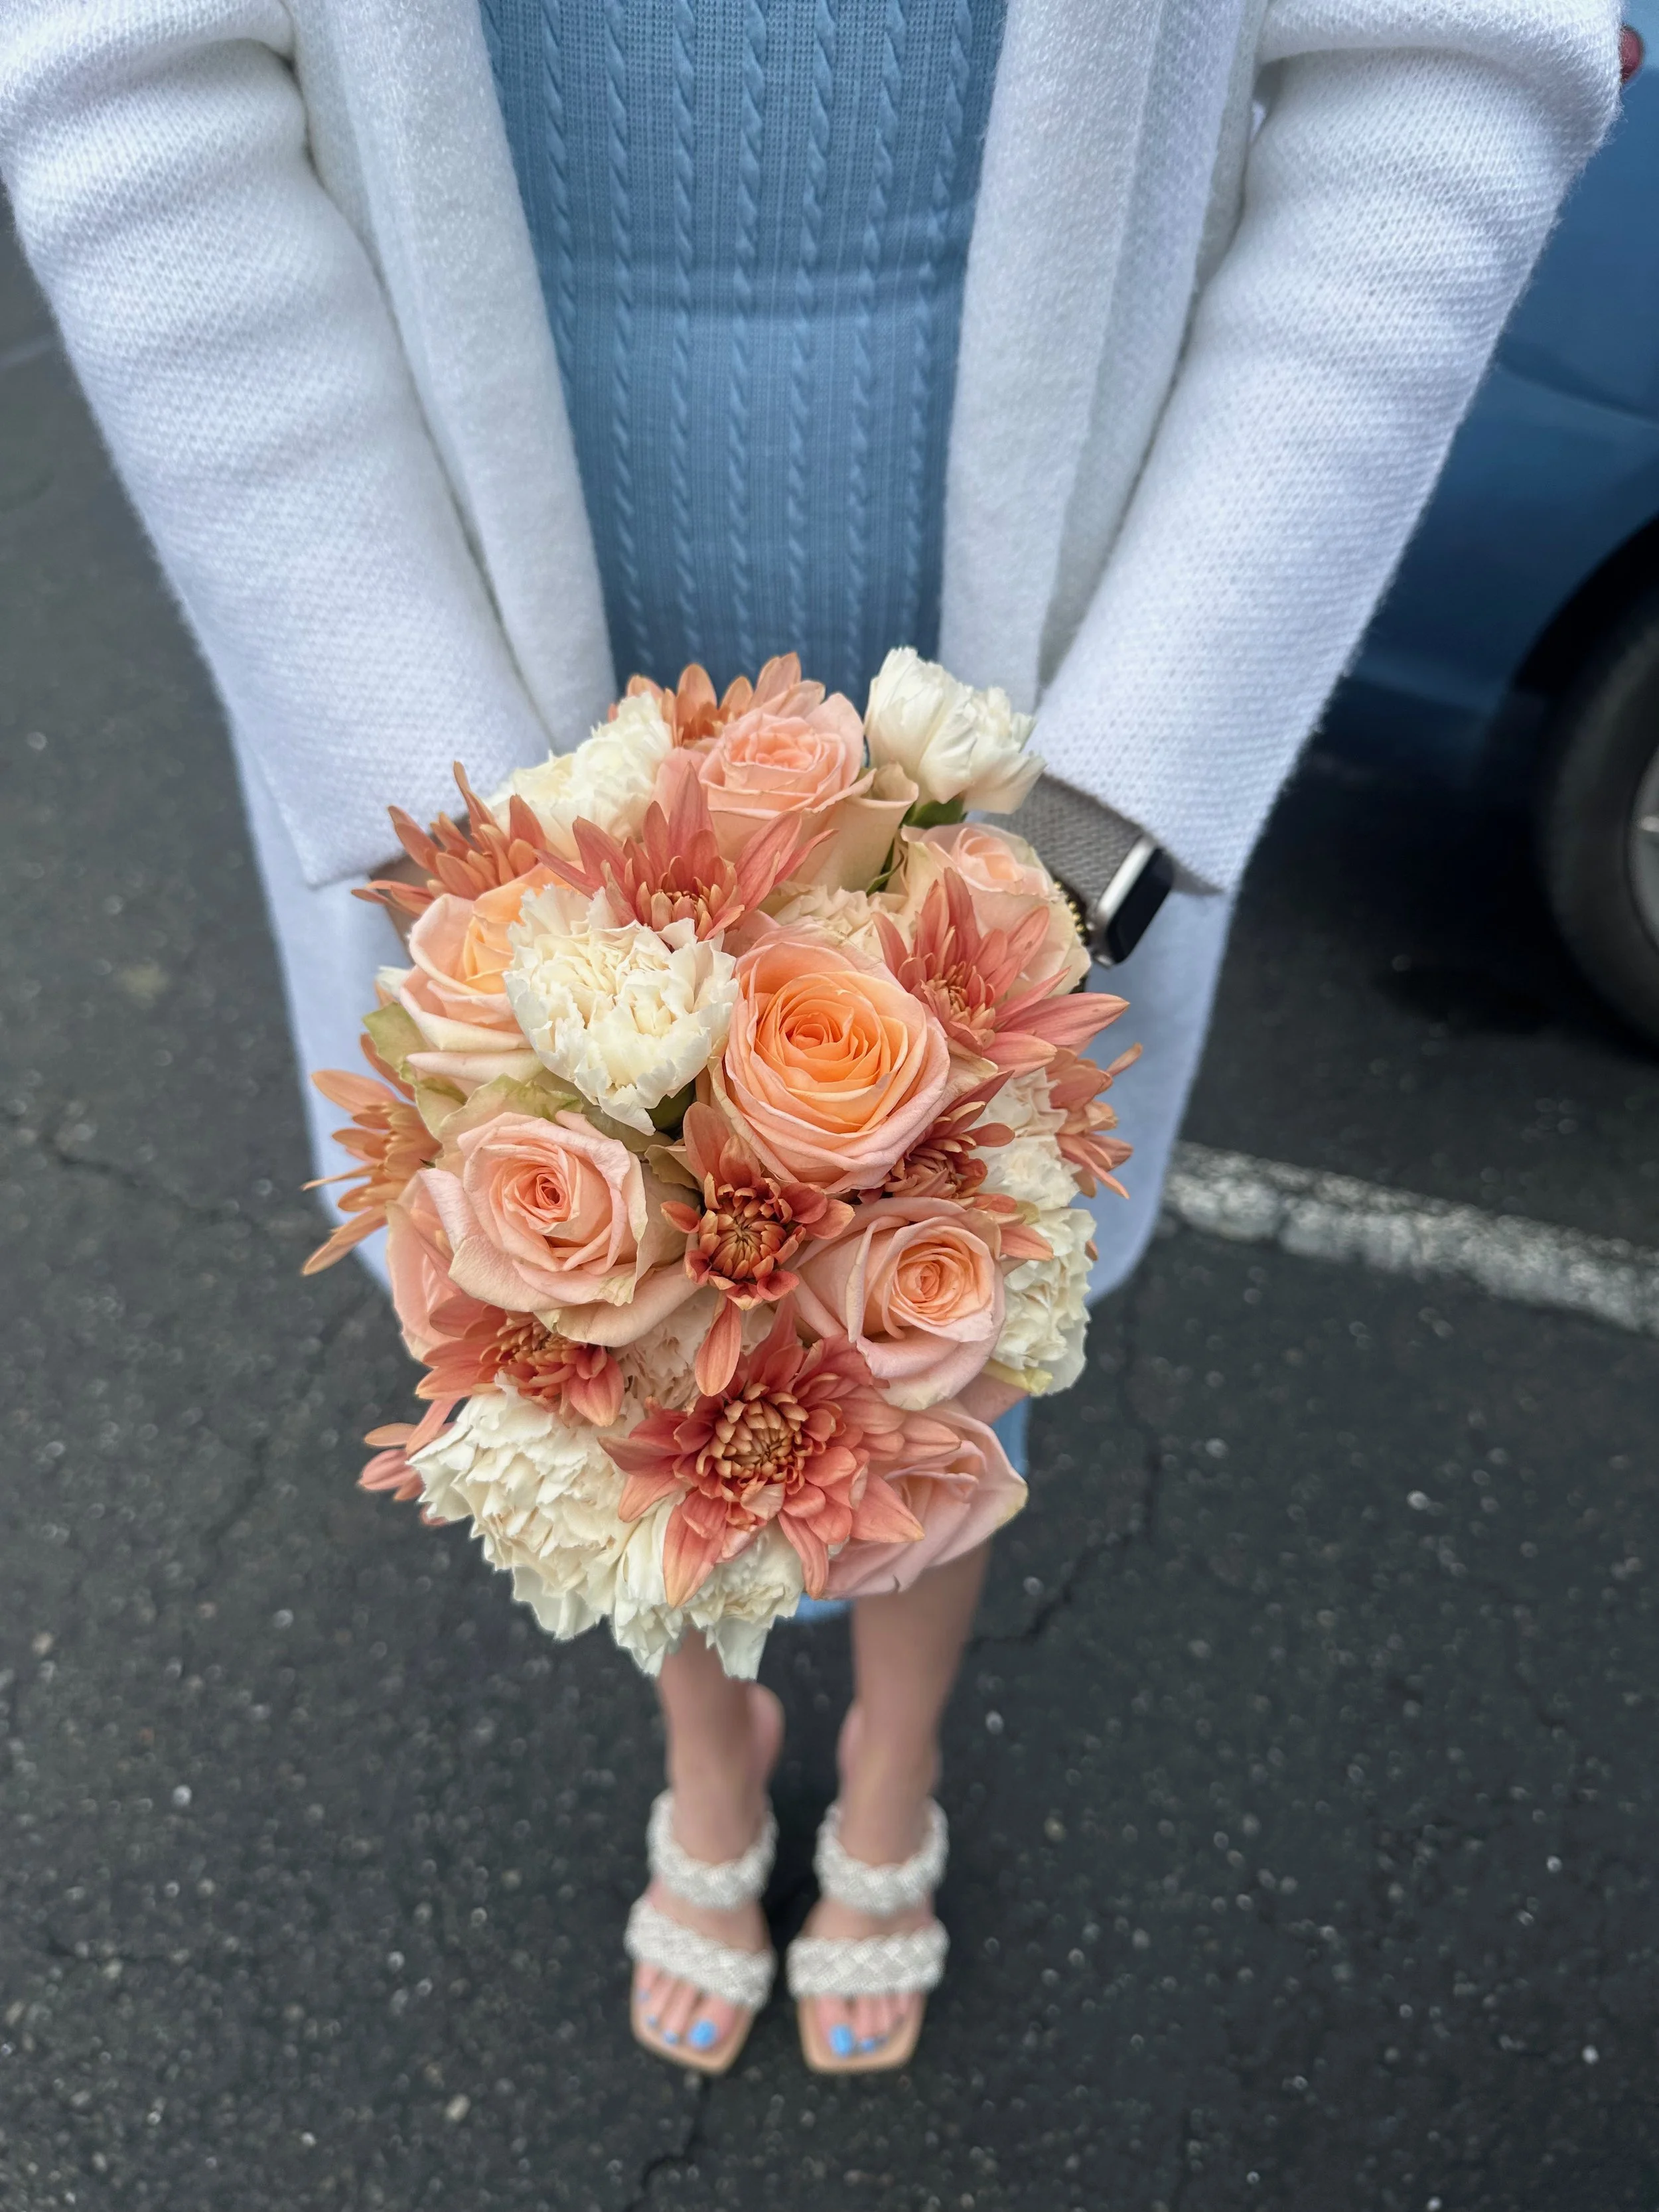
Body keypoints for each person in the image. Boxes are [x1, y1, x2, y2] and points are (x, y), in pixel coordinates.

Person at [0, 0, 1618, 2077]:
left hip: (1030, 683)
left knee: (949, 1300)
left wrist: (1102, 800)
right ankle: (712, 1732)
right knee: (597, 1312)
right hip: (465, 634)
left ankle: (893, 1757)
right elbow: (126, 84)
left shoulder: (1060, 782)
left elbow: (1451, 64)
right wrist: (469, 851)